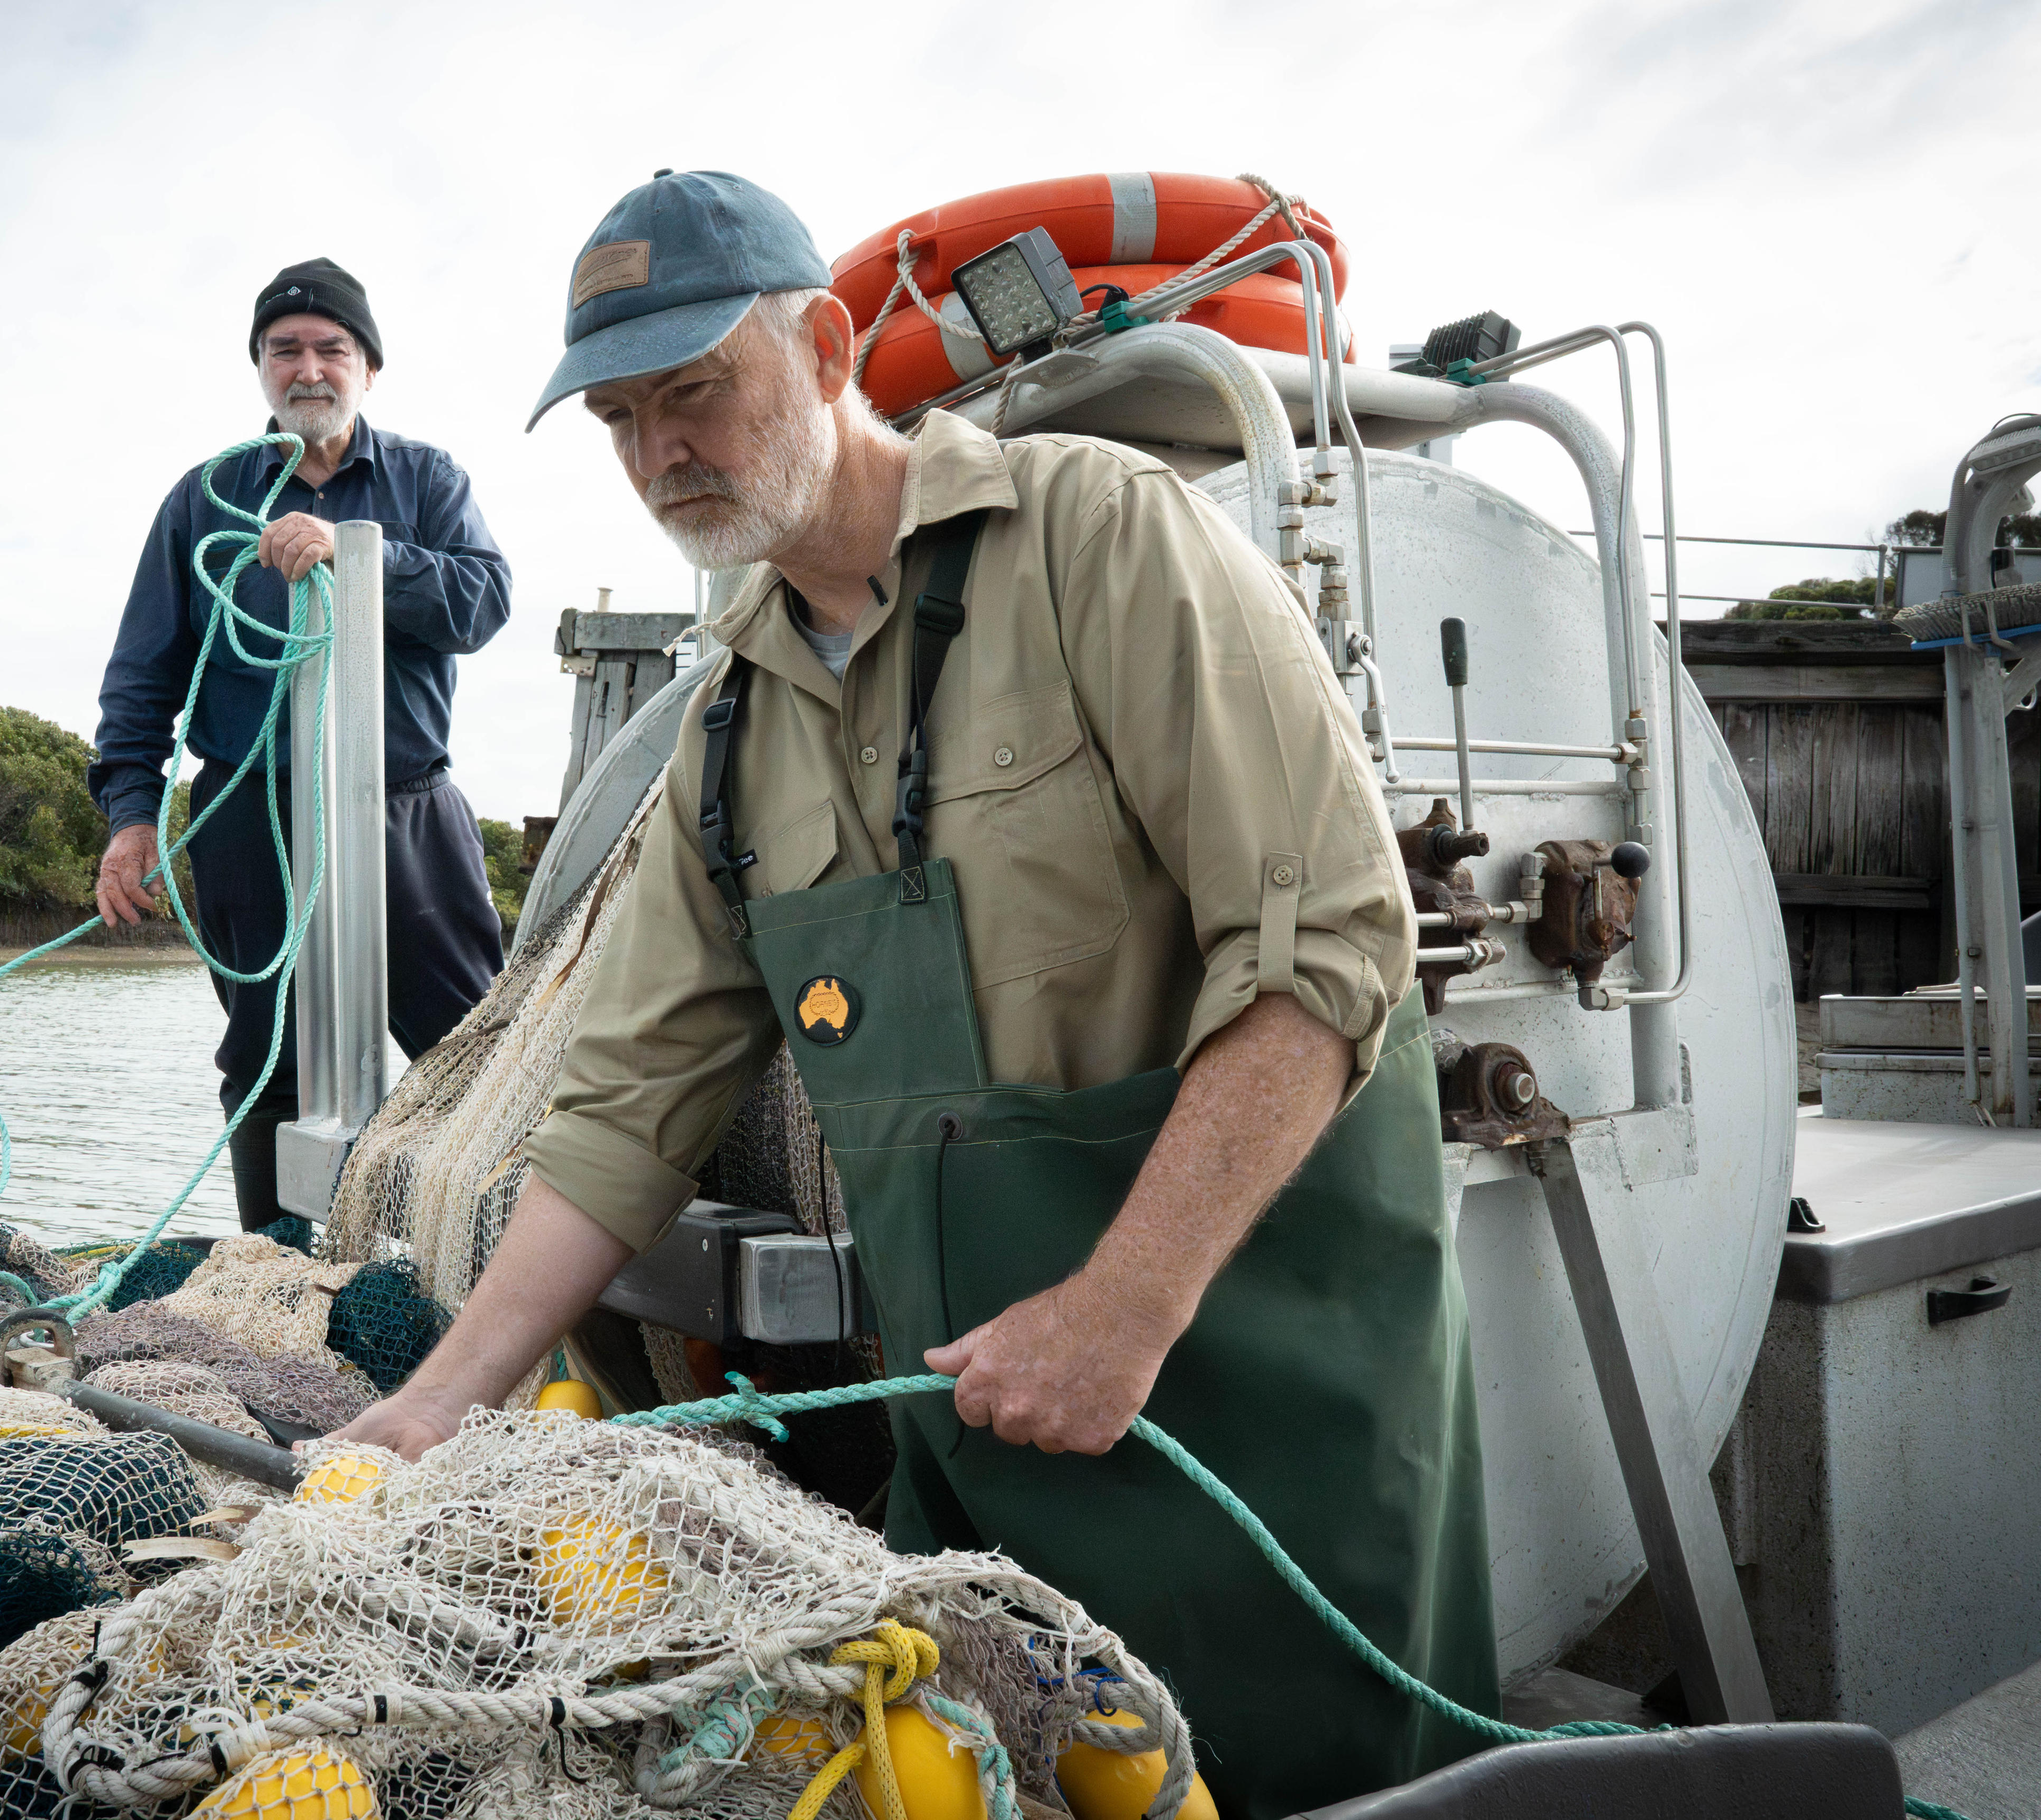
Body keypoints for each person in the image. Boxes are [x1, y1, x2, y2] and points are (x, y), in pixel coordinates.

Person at [338, 172, 1498, 1815]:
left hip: (1266, 1412)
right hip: (985, 1451)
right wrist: (440, 1399)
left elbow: (1331, 944)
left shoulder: (1100, 532)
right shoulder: (727, 727)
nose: (662, 450)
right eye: (620, 415)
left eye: (695, 391)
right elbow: (618, 1110)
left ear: (823, 347)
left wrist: (1126, 1305)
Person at [88, 257, 511, 1232]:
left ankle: (488, 1267)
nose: (309, 368)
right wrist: (130, 817)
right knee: (265, 1050)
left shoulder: (430, 478)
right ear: (262, 371)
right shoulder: (204, 497)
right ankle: (277, 1288)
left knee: (478, 1042)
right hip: (245, 811)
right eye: (286, 351)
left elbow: (483, 601)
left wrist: (360, 554)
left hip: (406, 804)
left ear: (369, 367)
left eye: (332, 349)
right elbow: (143, 671)